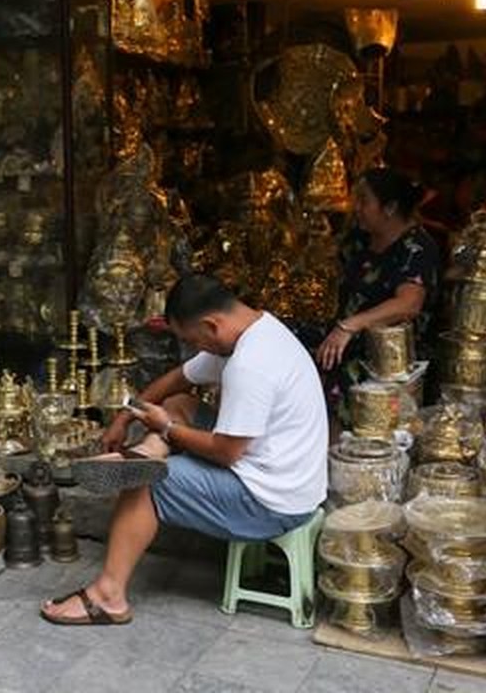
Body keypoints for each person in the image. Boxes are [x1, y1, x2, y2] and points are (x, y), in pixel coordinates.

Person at [41, 275, 328, 626]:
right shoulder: (255, 329)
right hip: (285, 475)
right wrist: (124, 415)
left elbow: (226, 453)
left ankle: (108, 597)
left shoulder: (251, 364)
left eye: (193, 340)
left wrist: (166, 428)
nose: (195, 348)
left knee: (148, 483)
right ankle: (146, 454)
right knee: (179, 403)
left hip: (272, 503)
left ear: (211, 325)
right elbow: (177, 379)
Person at [315, 167, 440, 419]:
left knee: (333, 380)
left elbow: (409, 304)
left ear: (390, 208)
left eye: (364, 201)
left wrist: (349, 326)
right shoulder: (360, 239)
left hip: (386, 357)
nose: (356, 208)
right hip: (346, 339)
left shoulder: (416, 248)